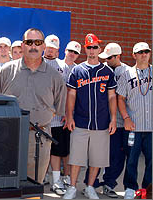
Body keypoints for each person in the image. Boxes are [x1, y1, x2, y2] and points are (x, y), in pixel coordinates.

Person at [0, 28, 67, 184]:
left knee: (33, 187)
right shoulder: (6, 72)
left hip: (39, 138)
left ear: (43, 46)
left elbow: (58, 108)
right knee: (6, 184)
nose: (33, 46)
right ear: (22, 45)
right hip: (7, 137)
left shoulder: (55, 76)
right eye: (29, 42)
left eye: (38, 42)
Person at [63, 33, 117, 199]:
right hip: (80, 121)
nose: (92, 50)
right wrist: (69, 116)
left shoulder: (107, 71)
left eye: (95, 47)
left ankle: (90, 186)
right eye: (89, 47)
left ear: (99, 49)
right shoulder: (77, 70)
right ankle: (72, 187)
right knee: (76, 158)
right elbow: (71, 94)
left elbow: (112, 96)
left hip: (101, 122)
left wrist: (114, 118)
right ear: (85, 49)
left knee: (96, 159)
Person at [82, 42, 129, 198]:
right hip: (101, 120)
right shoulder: (103, 69)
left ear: (118, 56)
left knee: (117, 156)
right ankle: (91, 183)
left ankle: (109, 184)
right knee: (96, 153)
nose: (106, 60)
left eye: (109, 58)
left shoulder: (128, 72)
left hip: (120, 123)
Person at [44, 37, 81, 195]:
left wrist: (68, 112)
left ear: (58, 51)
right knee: (40, 149)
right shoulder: (36, 62)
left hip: (58, 117)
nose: (50, 50)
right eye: (49, 47)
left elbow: (68, 92)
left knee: (58, 150)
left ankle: (57, 180)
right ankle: (41, 178)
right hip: (41, 115)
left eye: (54, 48)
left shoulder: (62, 66)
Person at [116, 42, 152, 199]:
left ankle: (147, 188)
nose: (144, 54)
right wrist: (126, 118)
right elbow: (120, 98)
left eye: (146, 51)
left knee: (151, 160)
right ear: (134, 55)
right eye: (140, 52)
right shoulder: (127, 74)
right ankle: (130, 187)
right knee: (131, 158)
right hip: (133, 126)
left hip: (151, 127)